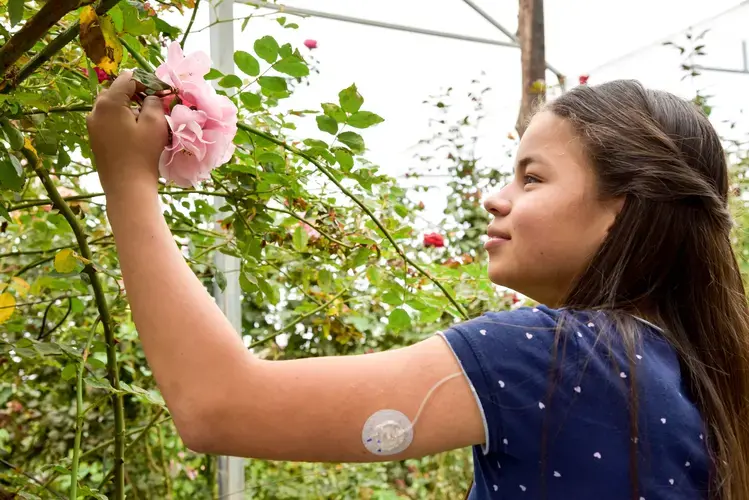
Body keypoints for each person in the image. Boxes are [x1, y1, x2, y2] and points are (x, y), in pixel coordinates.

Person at [86, 72, 749, 499]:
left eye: (531, 177)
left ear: (621, 208)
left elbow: (217, 406)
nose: (493, 199)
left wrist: (127, 180)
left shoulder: (550, 356)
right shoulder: (700, 378)